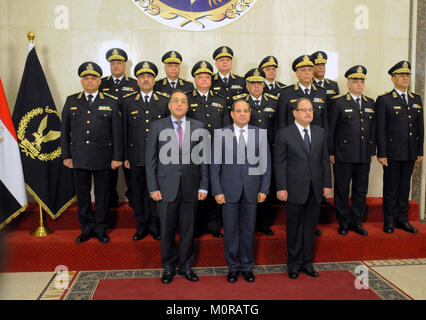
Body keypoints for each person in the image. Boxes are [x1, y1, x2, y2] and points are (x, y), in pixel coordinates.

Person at [145, 90, 209, 284]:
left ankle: (186, 266)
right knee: (167, 229)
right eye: (175, 101)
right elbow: (151, 160)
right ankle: (168, 267)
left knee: (189, 229)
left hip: (191, 186)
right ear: (169, 105)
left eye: (183, 101)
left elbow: (204, 159)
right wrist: (152, 187)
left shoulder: (199, 126)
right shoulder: (157, 126)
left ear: (188, 106)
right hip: (165, 187)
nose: (179, 104)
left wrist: (204, 186)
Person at [61, 62, 123, 243]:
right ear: (81, 81)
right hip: (79, 158)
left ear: (99, 81)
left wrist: (117, 157)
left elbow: (117, 133)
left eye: (93, 78)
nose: (89, 81)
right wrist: (66, 155)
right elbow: (64, 131)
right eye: (86, 78)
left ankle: (101, 228)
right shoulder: (72, 101)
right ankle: (87, 228)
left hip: (104, 158)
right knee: (83, 196)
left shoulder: (110, 102)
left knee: (103, 196)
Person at [210, 99, 271, 283]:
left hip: (252, 189)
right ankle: (233, 267)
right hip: (228, 190)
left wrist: (264, 188)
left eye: (245, 110)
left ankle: (247, 266)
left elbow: (266, 164)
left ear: (250, 113)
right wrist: (217, 190)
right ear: (232, 114)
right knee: (230, 230)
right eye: (238, 110)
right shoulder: (221, 134)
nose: (242, 113)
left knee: (248, 229)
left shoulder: (259, 133)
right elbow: (214, 166)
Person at [274, 98, 332, 279]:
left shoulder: (320, 132)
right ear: (295, 113)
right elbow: (280, 163)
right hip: (293, 189)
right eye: (304, 110)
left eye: (311, 110)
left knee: (309, 228)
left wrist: (327, 183)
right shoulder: (284, 134)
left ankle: (307, 262)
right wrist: (281, 187)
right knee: (294, 228)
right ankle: (293, 263)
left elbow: (324, 160)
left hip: (315, 189)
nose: (308, 113)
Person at [123, 61, 169, 241]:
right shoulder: (128, 102)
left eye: (149, 76)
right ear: (137, 80)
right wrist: (125, 156)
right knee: (138, 192)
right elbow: (124, 131)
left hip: (159, 157)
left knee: (156, 192)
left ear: (154, 79)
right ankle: (141, 225)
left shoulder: (164, 101)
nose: (146, 79)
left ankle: (155, 225)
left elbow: (169, 133)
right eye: (142, 76)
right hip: (136, 157)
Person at [376, 60, 423, 234]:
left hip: (410, 152)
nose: (405, 78)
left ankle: (402, 219)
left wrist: (420, 150)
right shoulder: (385, 99)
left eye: (407, 75)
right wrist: (381, 152)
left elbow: (420, 128)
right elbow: (380, 129)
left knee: (404, 188)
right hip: (392, 152)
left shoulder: (416, 99)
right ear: (393, 78)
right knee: (390, 188)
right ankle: (388, 221)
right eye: (401, 75)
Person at [329, 65, 375, 236]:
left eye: (361, 81)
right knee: (341, 189)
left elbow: (373, 129)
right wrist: (331, 152)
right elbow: (331, 130)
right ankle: (343, 222)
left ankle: (357, 221)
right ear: (348, 84)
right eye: (355, 81)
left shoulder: (370, 103)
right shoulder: (338, 102)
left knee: (360, 189)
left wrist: (372, 151)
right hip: (343, 154)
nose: (359, 84)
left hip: (363, 154)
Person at [186, 60, 231, 238]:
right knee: (195, 189)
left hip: (216, 151)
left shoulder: (220, 100)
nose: (204, 80)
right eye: (200, 77)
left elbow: (227, 127)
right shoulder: (187, 98)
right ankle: (196, 226)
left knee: (214, 188)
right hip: (194, 152)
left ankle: (213, 225)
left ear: (211, 80)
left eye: (207, 77)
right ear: (195, 80)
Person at [233, 68, 278, 236]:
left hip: (267, 151)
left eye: (260, 82)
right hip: (244, 151)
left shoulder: (273, 102)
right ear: (247, 85)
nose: (257, 86)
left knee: (266, 187)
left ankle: (264, 223)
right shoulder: (239, 102)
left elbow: (278, 127)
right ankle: (243, 222)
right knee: (245, 187)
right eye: (253, 83)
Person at [100, 48, 138, 208]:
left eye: (119, 63)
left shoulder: (134, 83)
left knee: (133, 175)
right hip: (109, 135)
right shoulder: (102, 83)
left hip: (130, 134)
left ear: (124, 65)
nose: (116, 66)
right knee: (109, 175)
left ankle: (135, 203)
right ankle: (111, 203)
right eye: (113, 63)